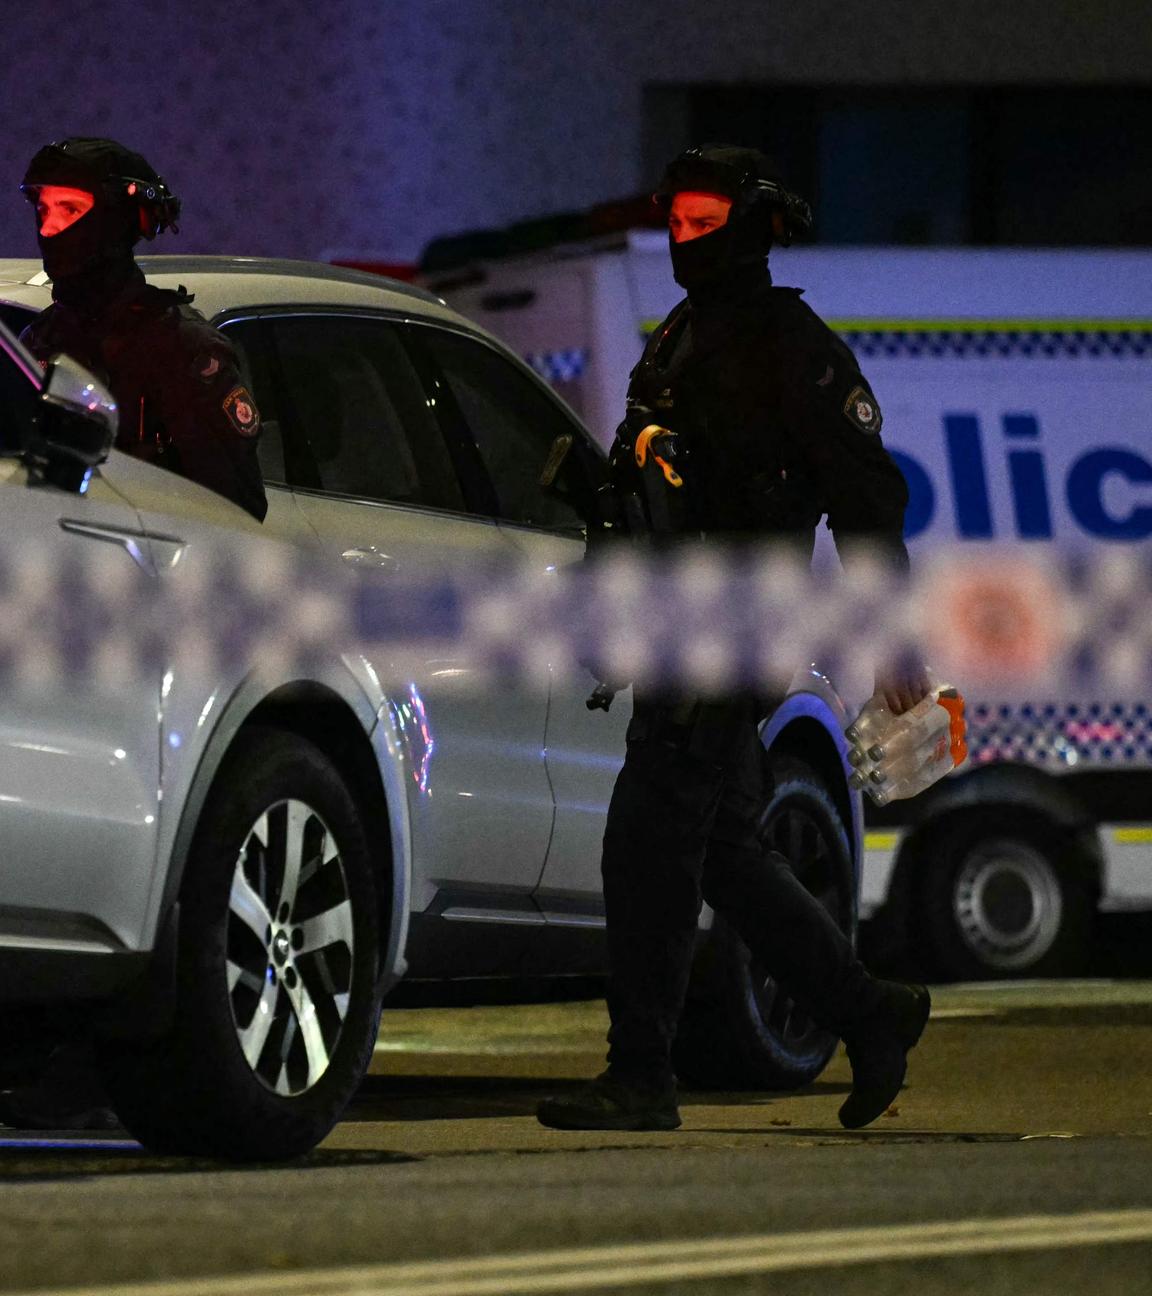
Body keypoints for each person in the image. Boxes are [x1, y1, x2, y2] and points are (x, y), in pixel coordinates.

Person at [537, 144, 931, 1134]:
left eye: (705, 220)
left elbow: (867, 503)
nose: (685, 236)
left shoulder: (794, 348)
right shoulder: (680, 336)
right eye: (675, 220)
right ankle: (872, 1014)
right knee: (723, 852)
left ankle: (642, 1076)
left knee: (647, 840)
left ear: (754, 225)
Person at [18, 137, 266, 520]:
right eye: (43, 209)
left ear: (116, 221)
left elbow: (235, 514)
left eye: (69, 209)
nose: (49, 227)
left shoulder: (183, 349)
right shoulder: (39, 339)